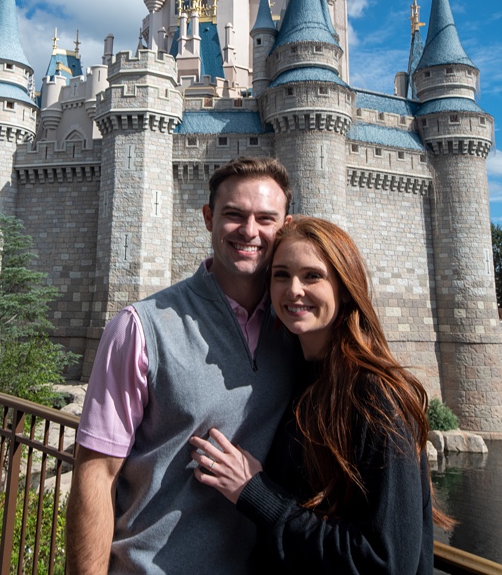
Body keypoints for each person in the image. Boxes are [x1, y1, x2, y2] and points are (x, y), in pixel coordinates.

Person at [65, 156, 301, 574]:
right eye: (234, 215)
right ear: (209, 218)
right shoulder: (140, 327)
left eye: (266, 219)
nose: (250, 231)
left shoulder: (296, 330)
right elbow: (96, 474)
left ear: (286, 225)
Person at [188, 216, 450, 574]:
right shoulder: (297, 373)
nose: (294, 289)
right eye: (281, 275)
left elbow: (387, 562)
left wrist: (255, 492)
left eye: (312, 276)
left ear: (344, 288)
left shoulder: (375, 396)